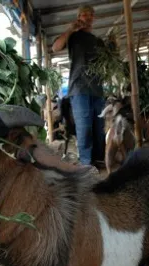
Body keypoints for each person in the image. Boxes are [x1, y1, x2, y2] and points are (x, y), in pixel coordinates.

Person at [52, 4, 106, 167]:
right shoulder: (74, 37)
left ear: (94, 18)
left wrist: (112, 48)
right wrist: (70, 29)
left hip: (97, 90)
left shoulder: (98, 42)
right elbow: (55, 48)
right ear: (78, 18)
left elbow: (108, 61)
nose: (88, 17)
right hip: (79, 88)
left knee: (99, 129)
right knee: (84, 128)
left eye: (90, 14)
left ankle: (98, 160)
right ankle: (85, 164)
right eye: (84, 15)